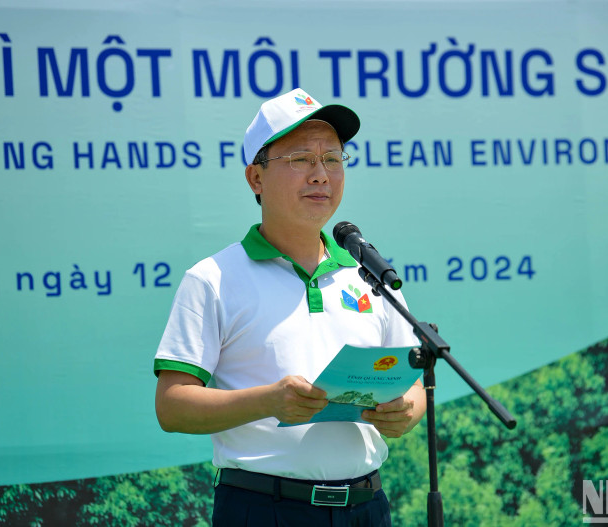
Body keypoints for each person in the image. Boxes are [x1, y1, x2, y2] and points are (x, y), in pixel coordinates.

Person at [154, 88, 426, 527]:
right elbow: (172, 406)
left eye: (333, 159)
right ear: (255, 179)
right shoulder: (213, 279)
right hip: (264, 508)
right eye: (301, 159)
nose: (321, 174)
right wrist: (269, 402)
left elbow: (412, 383)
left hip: (367, 507)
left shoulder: (368, 275)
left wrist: (407, 410)